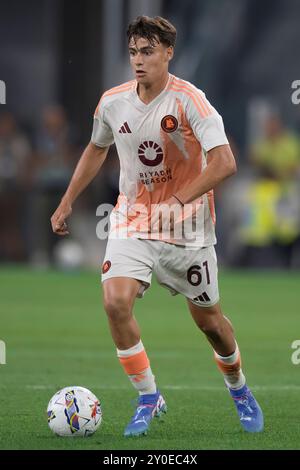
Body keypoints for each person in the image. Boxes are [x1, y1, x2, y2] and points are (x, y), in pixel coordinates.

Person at [51, 16, 264, 437]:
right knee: (115, 302)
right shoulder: (113, 102)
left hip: (189, 230)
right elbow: (96, 148)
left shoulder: (191, 101)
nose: (138, 60)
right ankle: (148, 396)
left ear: (169, 52)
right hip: (133, 220)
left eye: (147, 51)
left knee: (212, 325)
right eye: (133, 52)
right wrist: (68, 198)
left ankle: (239, 389)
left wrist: (179, 201)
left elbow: (225, 162)